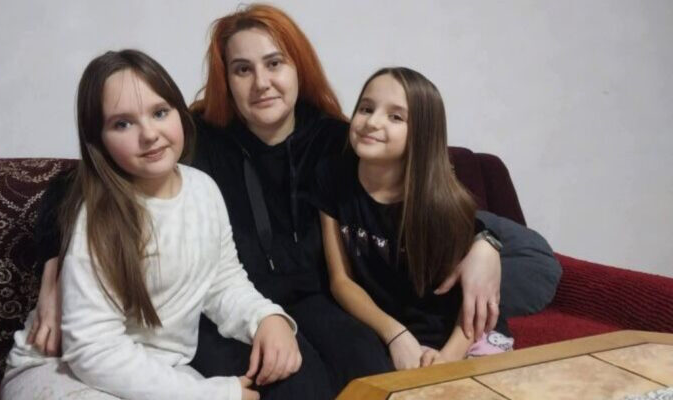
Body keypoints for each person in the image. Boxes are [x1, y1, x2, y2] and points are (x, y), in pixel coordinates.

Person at [27, 4, 505, 397]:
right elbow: (78, 184)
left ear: (298, 67)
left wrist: (486, 244)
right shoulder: (198, 137)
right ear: (227, 79)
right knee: (298, 387)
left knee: (373, 374)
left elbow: (425, 187)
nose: (261, 83)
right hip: (225, 310)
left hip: (319, 301)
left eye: (275, 63)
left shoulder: (337, 139)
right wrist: (54, 266)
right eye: (243, 69)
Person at [1, 49, 301, 400]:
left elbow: (222, 281)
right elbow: (93, 351)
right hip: (61, 370)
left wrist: (266, 317)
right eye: (122, 124)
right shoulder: (99, 216)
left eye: (160, 113)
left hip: (154, 368)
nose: (149, 134)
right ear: (98, 139)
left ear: (179, 112)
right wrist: (215, 394)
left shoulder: (203, 189)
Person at [314, 67, 514, 370]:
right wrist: (395, 335)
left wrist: (447, 359)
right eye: (366, 108)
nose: (372, 122)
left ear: (422, 133)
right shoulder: (332, 177)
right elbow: (341, 281)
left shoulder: (442, 205)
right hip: (389, 333)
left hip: (462, 335)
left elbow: (473, 301)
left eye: (395, 117)